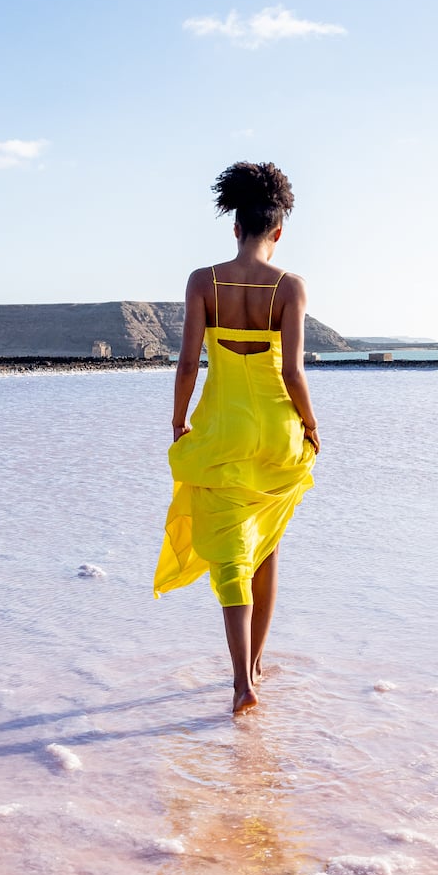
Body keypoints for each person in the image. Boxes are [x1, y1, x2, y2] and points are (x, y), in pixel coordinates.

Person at [154, 161, 321, 715]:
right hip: (275, 428)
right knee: (268, 545)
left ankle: (239, 682)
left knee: (232, 556)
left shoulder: (204, 281)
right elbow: (294, 373)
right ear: (278, 230)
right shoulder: (290, 286)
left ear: (235, 226)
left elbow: (186, 365)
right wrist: (312, 426)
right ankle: (254, 668)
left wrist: (179, 422)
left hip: (223, 429)